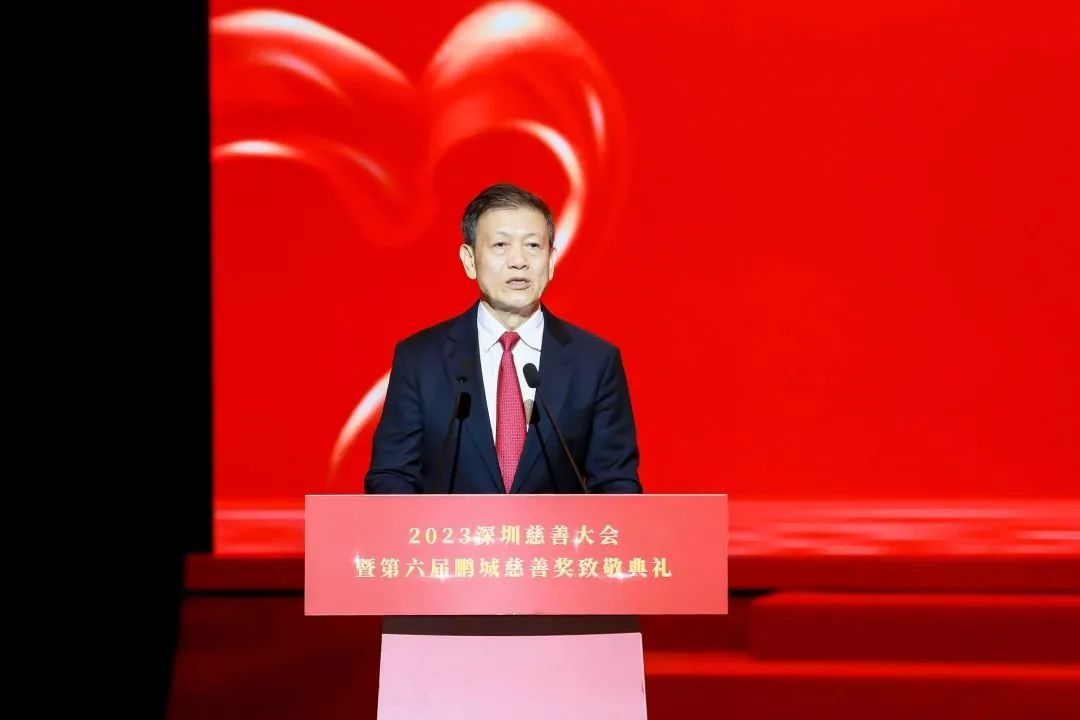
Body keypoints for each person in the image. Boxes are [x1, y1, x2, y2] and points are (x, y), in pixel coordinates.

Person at [365, 183, 642, 494]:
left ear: (551, 261)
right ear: (469, 260)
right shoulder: (420, 359)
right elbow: (391, 476)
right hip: (450, 528)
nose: (518, 261)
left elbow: (617, 484)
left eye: (533, 245)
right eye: (500, 245)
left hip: (556, 529)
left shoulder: (595, 362)